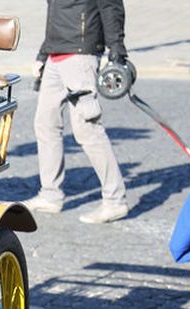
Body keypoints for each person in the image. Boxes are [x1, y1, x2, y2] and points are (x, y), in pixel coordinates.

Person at [24, 0, 131, 225]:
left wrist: (117, 51)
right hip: (56, 54)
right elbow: (57, 13)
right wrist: (43, 54)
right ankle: (50, 195)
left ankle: (115, 201)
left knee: (88, 130)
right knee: (45, 124)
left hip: (80, 55)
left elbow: (111, 6)